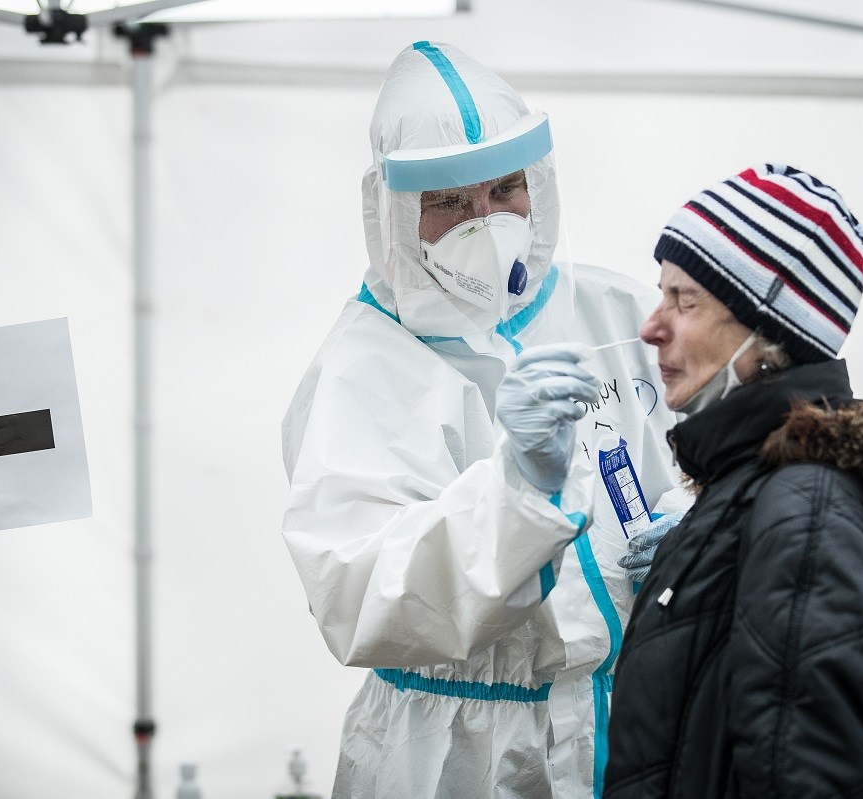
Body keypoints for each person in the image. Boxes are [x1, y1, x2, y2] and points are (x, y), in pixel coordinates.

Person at [280, 41, 687, 798]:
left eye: (506, 189)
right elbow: (360, 597)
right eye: (449, 203)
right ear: (397, 212)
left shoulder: (616, 309)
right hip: (455, 745)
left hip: (633, 716)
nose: (488, 221)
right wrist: (517, 499)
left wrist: (691, 526)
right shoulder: (359, 368)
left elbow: (708, 453)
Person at [602, 163, 863, 798]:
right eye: (660, 293)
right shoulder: (761, 488)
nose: (651, 326)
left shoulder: (805, 513)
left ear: (767, 336)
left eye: (686, 300)